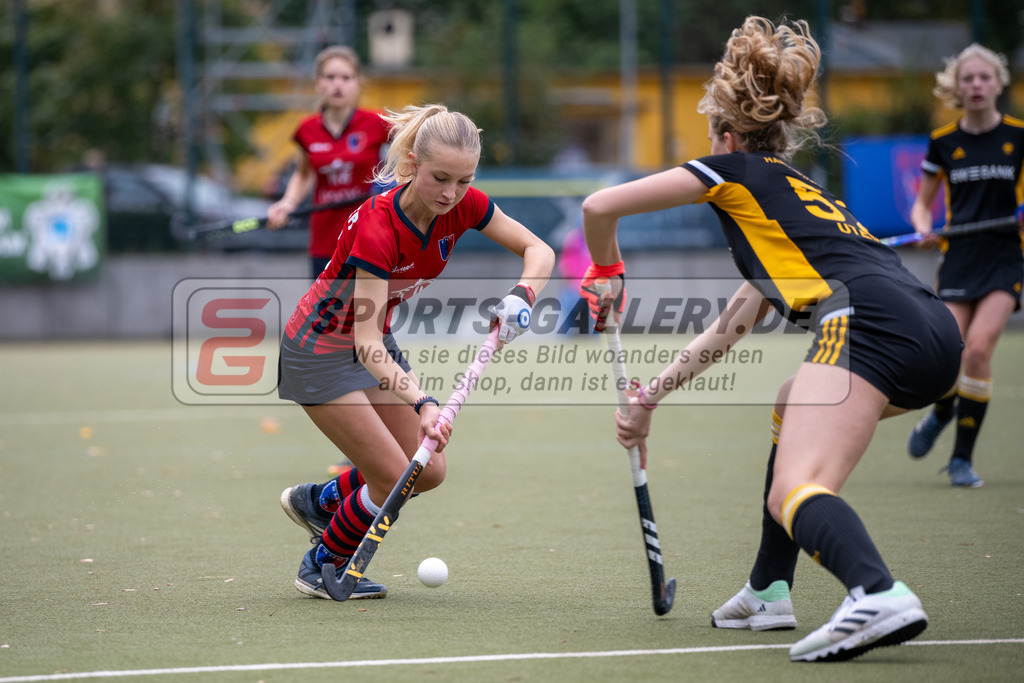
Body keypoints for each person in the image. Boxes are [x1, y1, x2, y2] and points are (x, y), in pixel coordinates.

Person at [579, 16, 962, 662]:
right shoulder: (797, 199)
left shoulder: (731, 171)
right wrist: (652, 399)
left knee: (796, 489)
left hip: (865, 323)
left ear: (727, 136)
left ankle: (876, 589)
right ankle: (768, 587)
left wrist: (607, 267)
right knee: (791, 400)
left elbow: (598, 207)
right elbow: (733, 323)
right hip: (935, 334)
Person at [276, 103, 555, 599]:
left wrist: (522, 295)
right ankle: (322, 564)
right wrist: (424, 403)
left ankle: (320, 502)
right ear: (410, 166)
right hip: (319, 349)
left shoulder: (465, 205)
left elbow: (540, 251)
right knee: (391, 478)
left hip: (371, 341)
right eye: (440, 178)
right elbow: (363, 345)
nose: (452, 194)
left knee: (427, 471)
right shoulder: (378, 227)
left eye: (464, 180)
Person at [904, 44, 1024, 488]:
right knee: (948, 354)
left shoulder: (1018, 136)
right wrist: (922, 229)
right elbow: (922, 206)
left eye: (983, 78)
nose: (976, 85)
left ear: (998, 84)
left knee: (978, 350)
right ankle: (940, 413)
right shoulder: (944, 141)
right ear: (957, 86)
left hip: (1003, 256)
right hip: (959, 258)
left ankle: (960, 460)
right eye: (968, 78)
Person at [266, 46, 391, 280]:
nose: (338, 85)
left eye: (346, 78)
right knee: (326, 315)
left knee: (368, 313)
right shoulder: (307, 129)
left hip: (369, 237)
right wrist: (288, 203)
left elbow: (414, 146)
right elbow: (304, 174)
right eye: (330, 77)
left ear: (358, 83)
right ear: (318, 83)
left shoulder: (376, 122)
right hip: (325, 242)